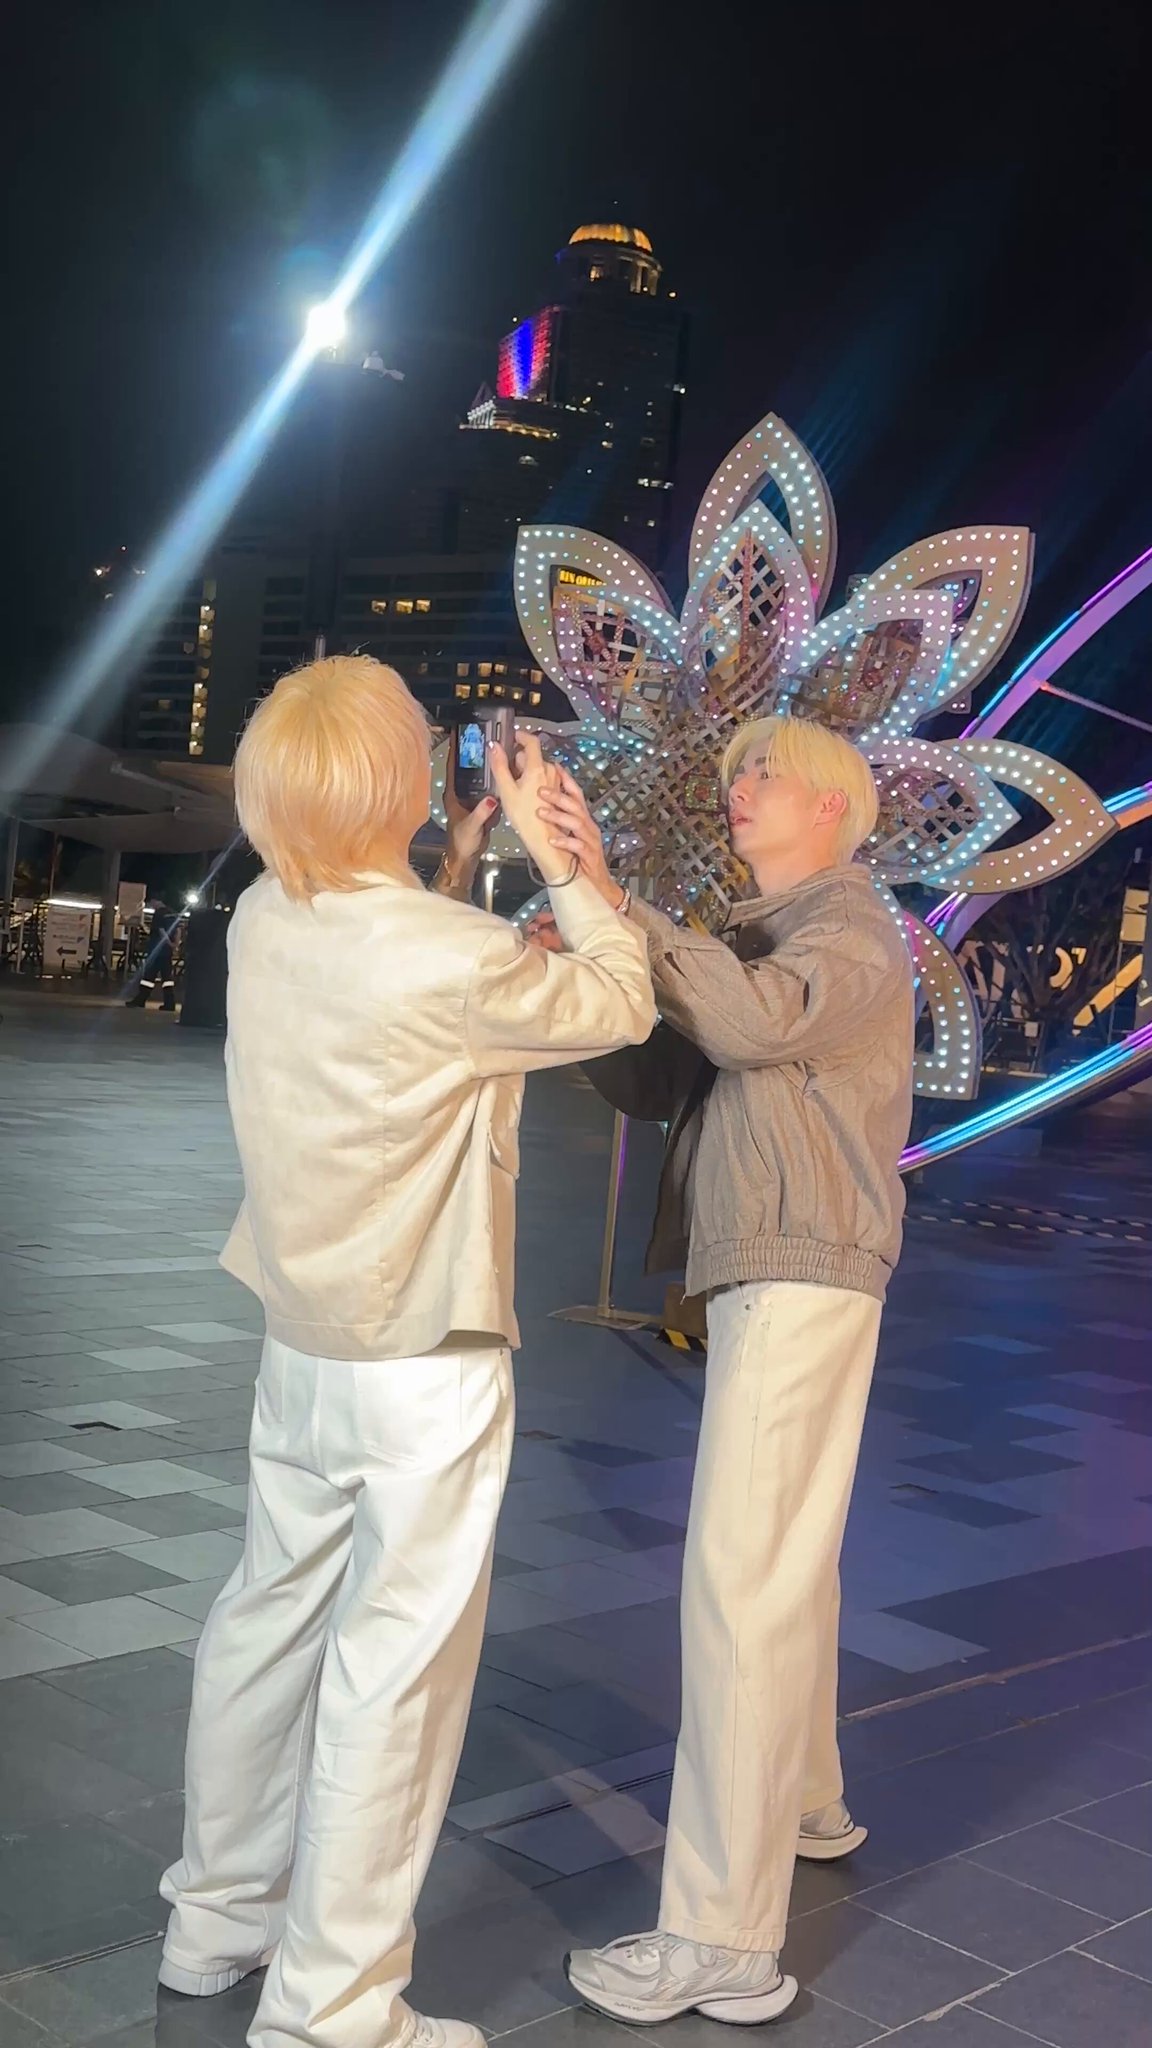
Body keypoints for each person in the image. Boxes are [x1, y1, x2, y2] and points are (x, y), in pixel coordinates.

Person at [158, 655, 656, 2048]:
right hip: (424, 1358)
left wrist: (453, 862)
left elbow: (392, 963)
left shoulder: (264, 918)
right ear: (397, 779)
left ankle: (215, 1922)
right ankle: (336, 2004)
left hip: (302, 1341)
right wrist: (565, 860)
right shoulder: (453, 958)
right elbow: (618, 1001)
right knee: (396, 1674)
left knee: (265, 1624)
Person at [531, 715, 914, 2027]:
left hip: (802, 1270)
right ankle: (805, 1802)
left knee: (742, 1584)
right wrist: (593, 953)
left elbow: (751, 1030)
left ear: (832, 807)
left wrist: (619, 898)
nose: (737, 785)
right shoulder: (762, 936)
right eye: (737, 766)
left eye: (765, 772)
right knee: (785, 1562)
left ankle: (722, 1939)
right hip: (781, 1269)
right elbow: (662, 1078)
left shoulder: (847, 927)